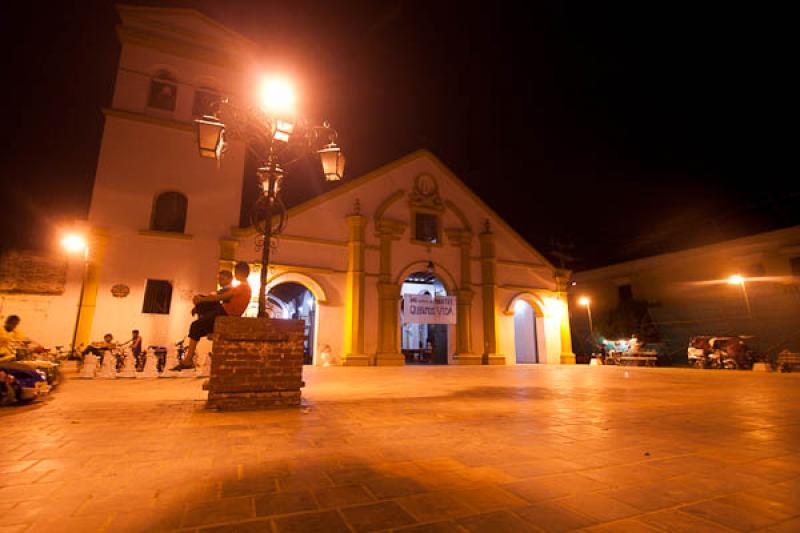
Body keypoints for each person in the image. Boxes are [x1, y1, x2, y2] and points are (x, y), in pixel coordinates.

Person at [173, 262, 251, 370]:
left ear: (239, 272)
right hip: (224, 310)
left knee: (196, 325)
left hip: (225, 312)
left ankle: (188, 360)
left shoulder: (243, 287)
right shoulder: (244, 287)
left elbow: (220, 297)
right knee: (199, 311)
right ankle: (205, 328)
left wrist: (202, 300)